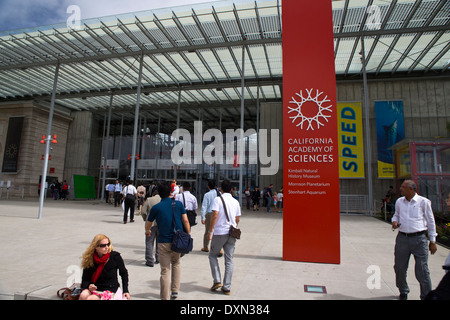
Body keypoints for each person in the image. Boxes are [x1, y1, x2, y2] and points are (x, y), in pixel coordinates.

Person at [392, 179, 437, 300]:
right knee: (399, 268)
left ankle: (426, 296)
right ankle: (403, 291)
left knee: (422, 270)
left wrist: (432, 241)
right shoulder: (399, 202)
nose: (400, 189)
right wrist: (394, 221)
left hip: (419, 239)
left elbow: (431, 222)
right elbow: (396, 214)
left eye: (403, 187)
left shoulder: (423, 202)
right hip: (402, 239)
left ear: (411, 189)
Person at [146, 182, 190, 300]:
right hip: (177, 241)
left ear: (159, 194)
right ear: (171, 193)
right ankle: (175, 291)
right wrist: (188, 234)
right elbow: (185, 221)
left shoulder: (156, 207)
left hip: (163, 241)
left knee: (165, 270)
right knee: (176, 263)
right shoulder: (179, 204)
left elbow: (148, 223)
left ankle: (164, 297)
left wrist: (147, 231)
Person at [207, 179, 241, 295]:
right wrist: (233, 226)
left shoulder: (218, 200)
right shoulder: (235, 202)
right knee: (229, 259)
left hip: (220, 232)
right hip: (232, 233)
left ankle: (217, 280)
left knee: (212, 255)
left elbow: (215, 215)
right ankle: (227, 287)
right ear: (231, 189)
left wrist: (210, 230)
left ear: (220, 189)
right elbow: (237, 219)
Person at [79, 234, 130, 300]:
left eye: (108, 244)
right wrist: (89, 285)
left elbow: (124, 273)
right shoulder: (90, 259)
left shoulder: (115, 257)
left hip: (110, 289)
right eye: (103, 245)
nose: (107, 247)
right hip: (96, 287)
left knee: (91, 298)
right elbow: (85, 279)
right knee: (83, 295)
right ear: (96, 247)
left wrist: (125, 290)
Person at [142, 191, 161, 267]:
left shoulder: (149, 200)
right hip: (160, 224)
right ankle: (158, 258)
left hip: (150, 224)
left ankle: (150, 260)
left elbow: (143, 211)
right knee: (159, 242)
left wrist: (145, 218)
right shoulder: (162, 200)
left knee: (149, 242)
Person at [201, 180, 218, 252]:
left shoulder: (207, 195)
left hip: (209, 214)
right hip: (218, 214)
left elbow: (204, 206)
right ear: (215, 186)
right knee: (217, 231)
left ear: (208, 186)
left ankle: (205, 247)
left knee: (208, 231)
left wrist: (202, 217)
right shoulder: (219, 194)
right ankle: (218, 248)